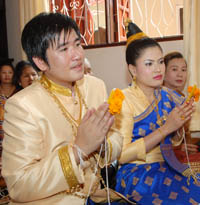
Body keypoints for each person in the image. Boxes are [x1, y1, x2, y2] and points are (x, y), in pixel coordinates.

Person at [2, 12, 122, 205]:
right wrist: (78, 151)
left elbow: (116, 137)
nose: (77, 55)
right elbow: (19, 186)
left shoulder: (95, 86)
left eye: (77, 44)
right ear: (41, 62)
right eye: (64, 49)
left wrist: (101, 144)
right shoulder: (22, 106)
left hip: (95, 196)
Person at [113, 21, 200, 204]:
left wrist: (178, 126)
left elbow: (173, 142)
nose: (158, 69)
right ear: (133, 69)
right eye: (149, 64)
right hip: (137, 174)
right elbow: (120, 156)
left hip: (167, 166)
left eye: (160, 62)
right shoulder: (123, 100)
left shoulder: (168, 96)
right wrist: (166, 128)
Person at [164, 51, 200, 168]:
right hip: (167, 155)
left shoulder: (182, 98)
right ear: (163, 72)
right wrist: (177, 147)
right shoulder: (160, 97)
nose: (180, 74)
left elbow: (185, 134)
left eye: (183, 70)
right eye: (174, 69)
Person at [0, 61, 17, 204]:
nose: (6, 76)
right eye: (3, 72)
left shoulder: (19, 91)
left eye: (9, 73)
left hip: (15, 137)